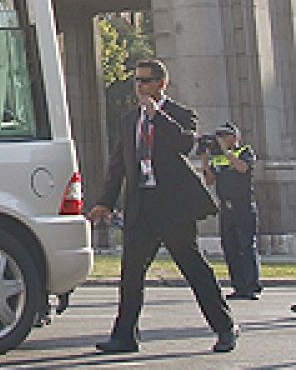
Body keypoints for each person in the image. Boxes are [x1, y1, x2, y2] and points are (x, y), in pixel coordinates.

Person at [87, 59, 237, 353]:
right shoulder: (130, 119)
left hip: (172, 206)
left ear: (161, 84)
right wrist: (105, 201)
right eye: (137, 81)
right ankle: (125, 336)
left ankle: (225, 327)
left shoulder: (179, 114)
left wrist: (157, 117)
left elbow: (185, 144)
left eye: (145, 81)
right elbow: (119, 165)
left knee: (193, 268)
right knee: (131, 273)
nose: (139, 87)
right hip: (141, 205)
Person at [203, 122, 261, 300]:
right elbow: (209, 180)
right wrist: (206, 159)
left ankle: (251, 286)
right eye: (219, 136)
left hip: (243, 206)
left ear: (235, 137)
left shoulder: (245, 152)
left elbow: (243, 168)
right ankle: (238, 286)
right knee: (230, 247)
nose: (221, 139)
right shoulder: (218, 158)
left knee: (246, 246)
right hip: (226, 209)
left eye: (225, 135)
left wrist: (227, 152)